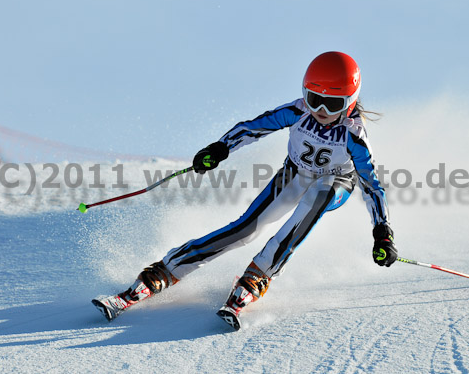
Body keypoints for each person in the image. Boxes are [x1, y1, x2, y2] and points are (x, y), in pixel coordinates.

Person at [92, 51, 398, 329]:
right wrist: (220, 148)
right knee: (246, 228)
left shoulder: (354, 136)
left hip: (335, 183)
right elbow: (253, 127)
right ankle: (165, 270)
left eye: (331, 104)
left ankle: (258, 275)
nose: (319, 109)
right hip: (295, 173)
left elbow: (371, 185)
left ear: (350, 102)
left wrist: (382, 230)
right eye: (313, 98)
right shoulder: (298, 110)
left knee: (314, 202)